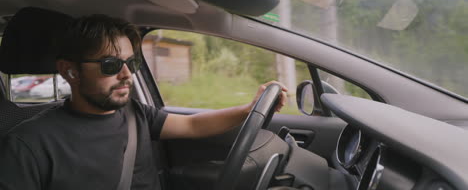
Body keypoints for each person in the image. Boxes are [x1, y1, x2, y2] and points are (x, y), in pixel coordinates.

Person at [0, 14, 288, 190]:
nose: (127, 74)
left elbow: (191, 125)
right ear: (69, 71)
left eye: (131, 62)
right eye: (110, 65)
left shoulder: (133, 113)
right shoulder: (28, 145)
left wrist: (249, 109)